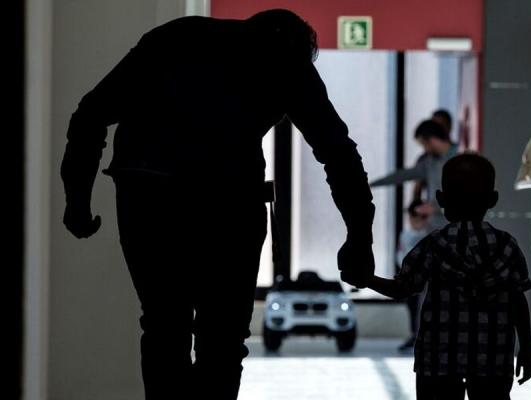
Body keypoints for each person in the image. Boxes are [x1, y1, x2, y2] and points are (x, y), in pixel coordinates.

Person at [60, 10, 375, 400]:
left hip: (149, 197)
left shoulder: (173, 38)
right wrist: (359, 237)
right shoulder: (286, 58)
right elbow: (337, 152)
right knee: (222, 341)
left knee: (164, 327)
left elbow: (91, 113)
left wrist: (77, 198)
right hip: (228, 207)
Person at [366, 153, 531, 400]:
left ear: (440, 199)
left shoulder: (432, 245)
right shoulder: (507, 246)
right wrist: (526, 350)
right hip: (493, 359)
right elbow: (518, 302)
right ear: (493, 200)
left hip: (437, 360)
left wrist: (366, 279)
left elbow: (402, 288)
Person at [369, 119, 458, 229]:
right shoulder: (429, 163)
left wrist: (434, 208)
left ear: (431, 140)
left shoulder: (461, 156)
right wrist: (372, 184)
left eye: (423, 144)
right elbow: (403, 175)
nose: (425, 149)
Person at [396, 199, 433, 351]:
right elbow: (400, 254)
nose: (418, 221)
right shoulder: (406, 234)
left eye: (423, 217)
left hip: (429, 279)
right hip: (411, 278)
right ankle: (415, 335)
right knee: (413, 307)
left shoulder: (431, 233)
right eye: (416, 217)